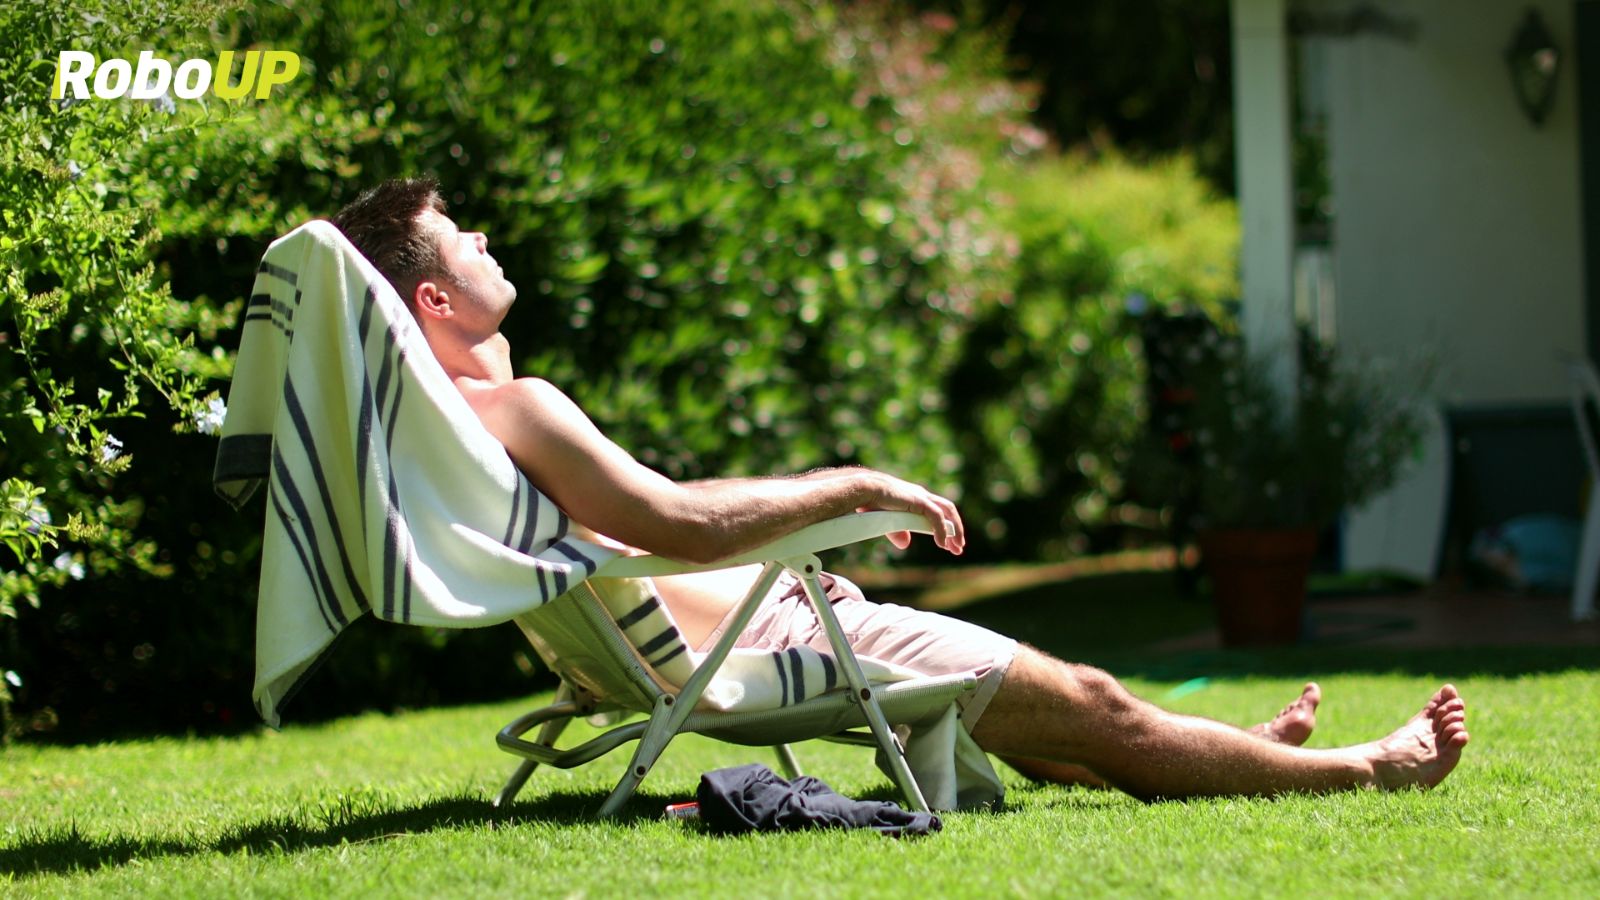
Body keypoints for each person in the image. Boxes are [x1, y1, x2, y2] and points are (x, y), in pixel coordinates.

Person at [329, 178, 1469, 800]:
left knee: (1068, 729)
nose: (479, 237)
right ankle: (1361, 767)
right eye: (455, 241)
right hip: (779, 644)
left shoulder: (462, 429)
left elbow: (650, 521)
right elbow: (674, 521)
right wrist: (852, 486)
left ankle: (1229, 753)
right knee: (1096, 699)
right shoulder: (516, 411)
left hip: (745, 635)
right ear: (433, 303)